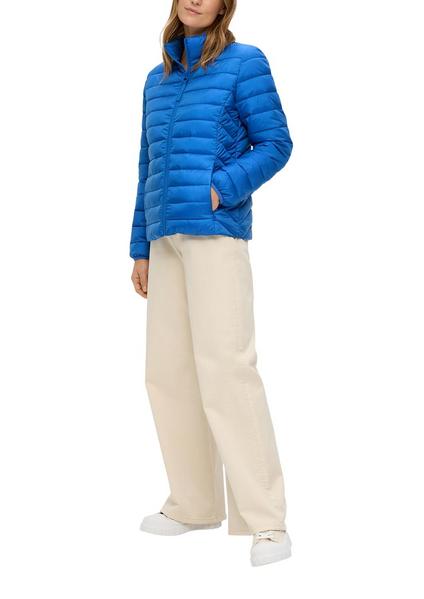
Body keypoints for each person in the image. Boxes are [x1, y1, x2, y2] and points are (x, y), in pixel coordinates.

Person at [130, 0, 293, 567]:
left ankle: (266, 521)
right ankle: (194, 503)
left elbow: (276, 143)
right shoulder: (157, 79)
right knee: (168, 373)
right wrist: (139, 247)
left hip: (216, 233)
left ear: (226, 4)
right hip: (164, 239)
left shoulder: (245, 62)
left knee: (227, 369)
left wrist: (220, 188)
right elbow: (147, 166)